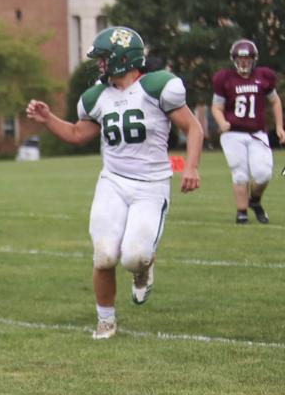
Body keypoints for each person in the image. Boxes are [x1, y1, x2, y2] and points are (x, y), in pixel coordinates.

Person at [26, 26, 202, 339]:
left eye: (105, 58)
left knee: (134, 256)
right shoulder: (98, 96)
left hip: (151, 184)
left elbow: (194, 128)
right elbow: (78, 134)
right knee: (105, 254)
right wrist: (49, 119)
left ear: (123, 58)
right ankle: (105, 320)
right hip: (113, 182)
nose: (100, 64)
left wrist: (191, 167)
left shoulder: (158, 87)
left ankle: (143, 270)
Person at [211, 38, 282, 224]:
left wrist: (280, 126)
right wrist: (222, 122)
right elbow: (216, 107)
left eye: (247, 59)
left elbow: (275, 101)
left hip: (257, 132)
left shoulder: (263, 76)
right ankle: (241, 212)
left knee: (263, 173)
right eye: (241, 59)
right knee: (240, 173)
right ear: (234, 60)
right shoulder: (225, 78)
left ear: (254, 60)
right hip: (233, 133)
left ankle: (255, 201)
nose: (244, 63)